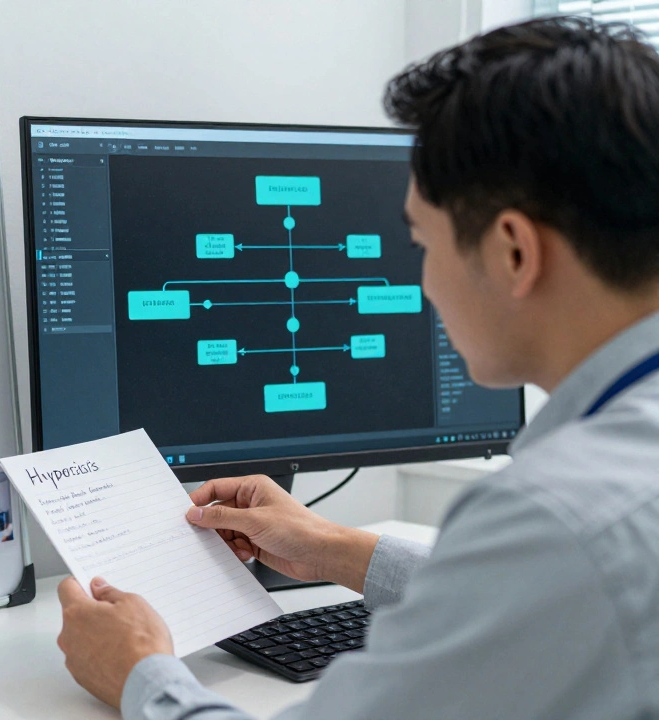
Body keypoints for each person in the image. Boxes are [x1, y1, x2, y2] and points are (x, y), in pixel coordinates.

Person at [55, 17, 659, 720]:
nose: (425, 285)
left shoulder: (555, 516)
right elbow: (551, 595)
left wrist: (136, 671)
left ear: (514, 253)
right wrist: (336, 549)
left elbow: (558, 561)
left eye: (421, 245)